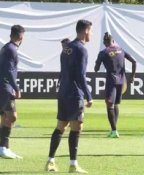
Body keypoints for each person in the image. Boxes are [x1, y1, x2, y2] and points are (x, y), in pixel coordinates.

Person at [45, 20, 93, 173]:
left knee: (61, 126)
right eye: (91, 31)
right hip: (74, 93)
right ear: (86, 31)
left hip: (63, 92)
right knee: (77, 127)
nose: (91, 34)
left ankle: (50, 161)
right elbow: (80, 75)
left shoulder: (66, 49)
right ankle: (73, 164)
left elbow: (63, 71)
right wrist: (89, 95)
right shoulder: (81, 49)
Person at [94, 32, 136, 138]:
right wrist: (132, 76)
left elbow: (96, 69)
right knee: (115, 104)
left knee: (109, 104)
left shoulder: (103, 52)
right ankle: (114, 129)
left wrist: (97, 63)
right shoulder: (120, 49)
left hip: (111, 81)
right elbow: (134, 61)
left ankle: (114, 131)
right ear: (113, 41)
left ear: (104, 42)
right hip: (122, 81)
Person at [0, 25, 25, 159]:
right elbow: (9, 71)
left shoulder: (7, 48)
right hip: (6, 87)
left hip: (3, 86)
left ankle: (4, 147)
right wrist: (16, 88)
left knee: (5, 116)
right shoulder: (11, 49)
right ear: (20, 35)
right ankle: (3, 147)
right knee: (12, 116)